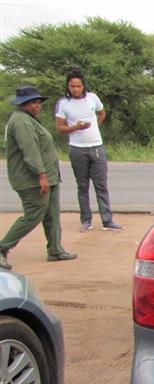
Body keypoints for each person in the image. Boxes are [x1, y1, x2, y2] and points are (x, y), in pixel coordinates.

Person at [0, 86, 77, 270]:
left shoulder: (29, 120)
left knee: (52, 215)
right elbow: (30, 151)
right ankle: (3, 247)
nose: (37, 105)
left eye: (38, 102)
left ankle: (55, 249)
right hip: (32, 180)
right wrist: (41, 175)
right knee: (34, 214)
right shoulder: (21, 122)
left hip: (48, 177)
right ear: (23, 104)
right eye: (33, 102)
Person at [55, 69, 122, 233]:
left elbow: (102, 113)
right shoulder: (64, 103)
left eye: (79, 86)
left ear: (83, 85)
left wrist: (94, 127)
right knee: (82, 186)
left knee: (101, 185)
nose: (76, 89)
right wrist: (76, 127)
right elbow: (60, 127)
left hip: (96, 146)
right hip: (77, 149)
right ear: (68, 87)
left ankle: (107, 220)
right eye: (72, 86)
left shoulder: (92, 98)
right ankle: (86, 220)